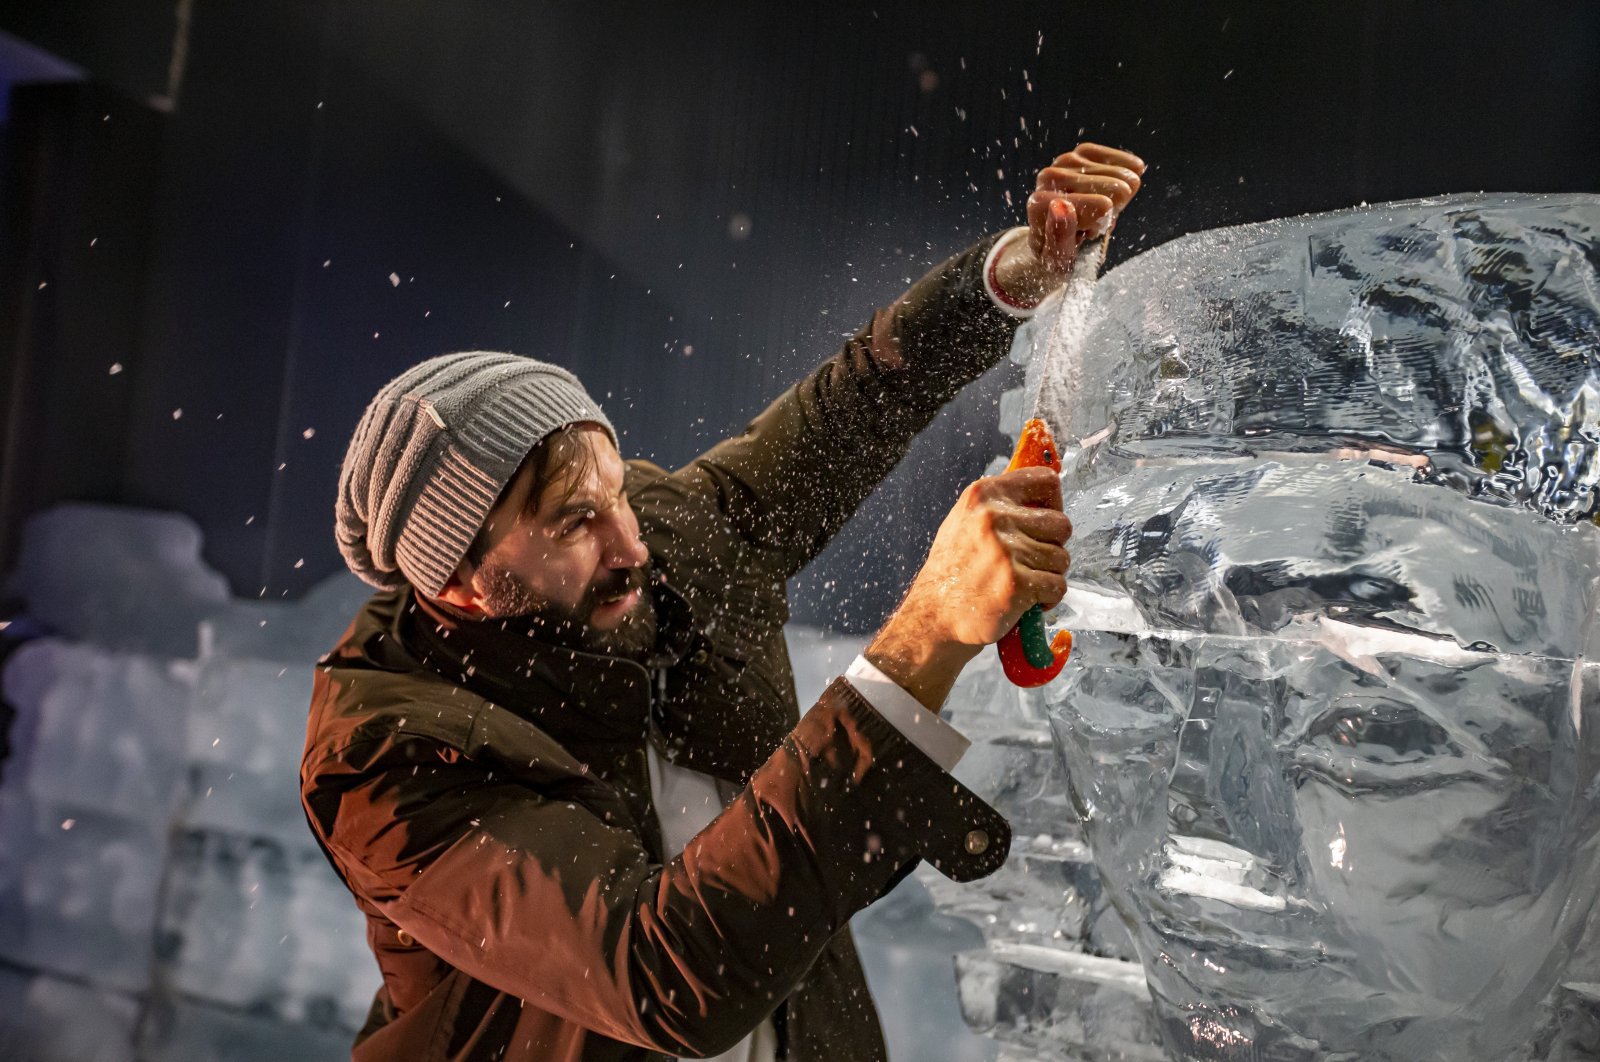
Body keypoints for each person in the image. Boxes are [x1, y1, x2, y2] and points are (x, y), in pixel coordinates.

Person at [301, 142, 1147, 1062]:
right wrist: (928, 634)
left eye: (618, 490)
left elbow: (851, 404)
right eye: (575, 520)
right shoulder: (390, 767)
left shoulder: (669, 542)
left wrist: (1006, 280)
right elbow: (664, 972)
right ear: (458, 576)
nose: (631, 545)